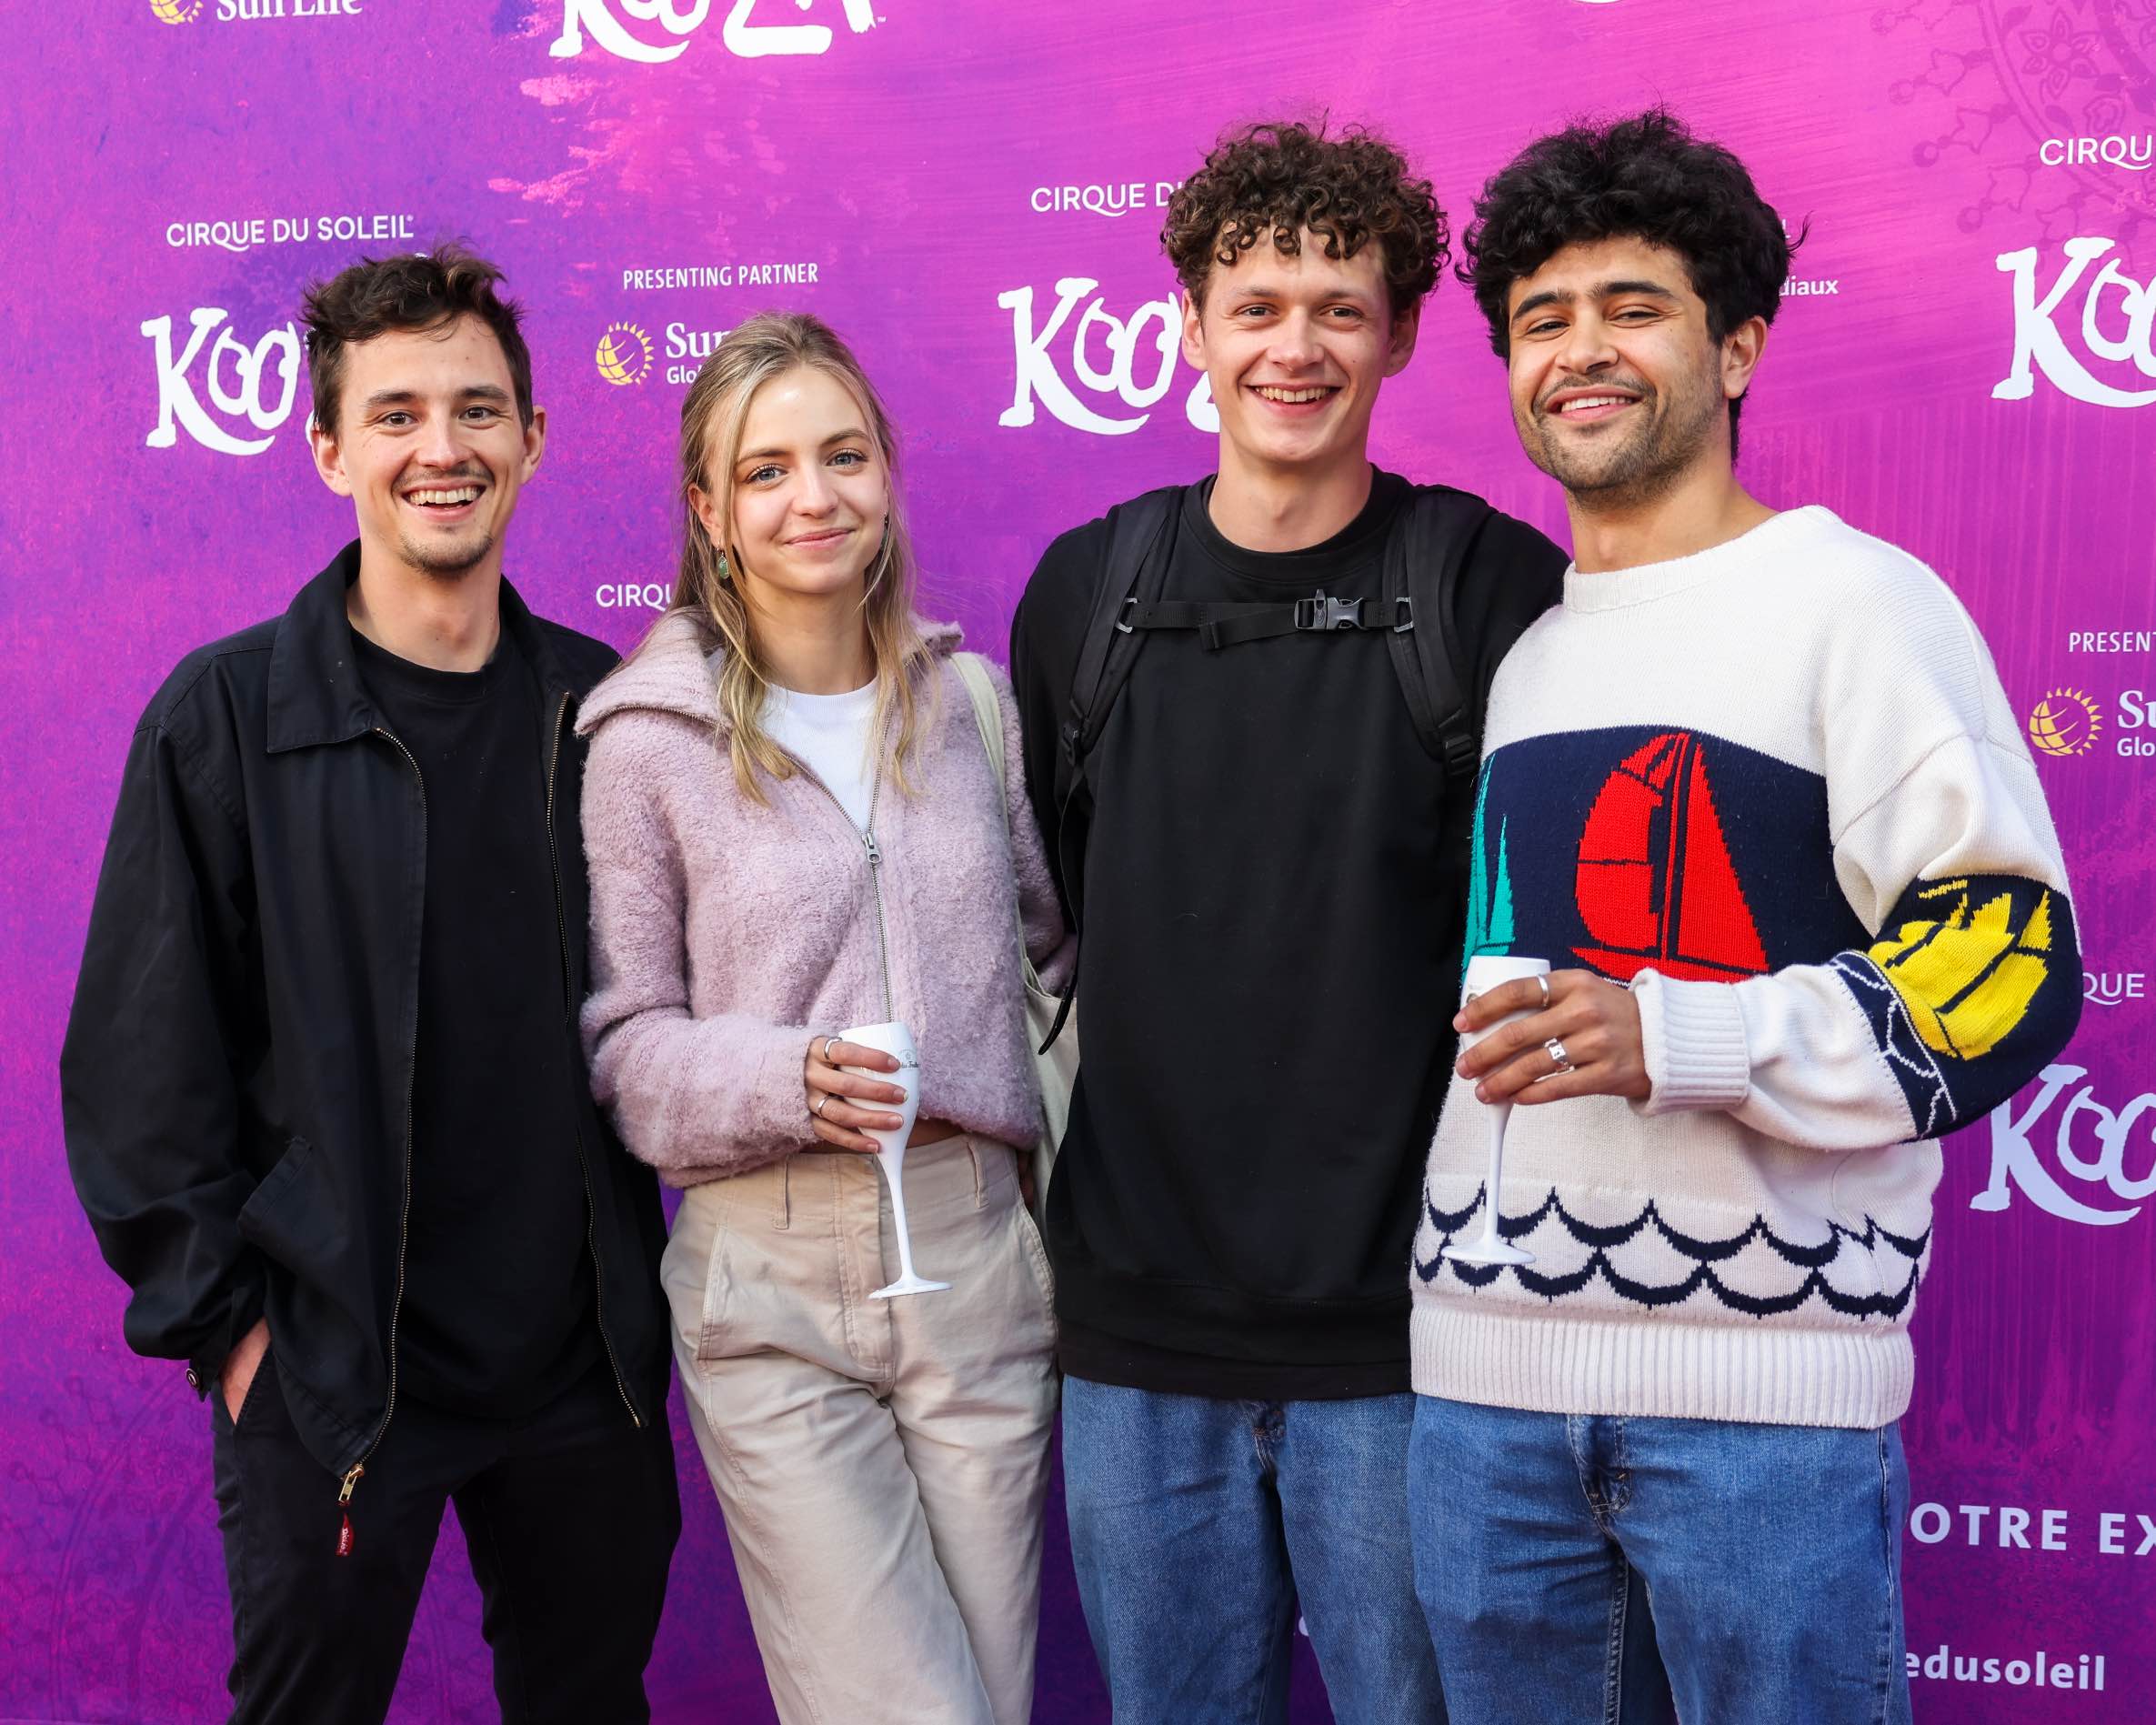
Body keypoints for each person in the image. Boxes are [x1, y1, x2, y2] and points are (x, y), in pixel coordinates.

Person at [1408, 110, 2082, 1724]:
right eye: (1543, 319)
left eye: (1633, 307)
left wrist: (1678, 1033)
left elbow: (2010, 965)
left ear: (1738, 348)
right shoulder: (1526, 655)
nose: (1581, 350)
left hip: (1763, 1423)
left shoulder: (1857, 603)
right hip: (1480, 1408)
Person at [59, 245, 679, 1724]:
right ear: (330, 448)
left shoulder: (605, 710)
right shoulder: (224, 718)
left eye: (476, 409)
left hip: (579, 1372)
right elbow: (140, 1072)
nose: (440, 447)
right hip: (333, 1375)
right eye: (395, 414)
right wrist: (239, 1338)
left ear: (533, 437)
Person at [1008, 121, 1569, 1722]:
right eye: (1255, 305)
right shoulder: (1087, 593)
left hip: (1408, 1342)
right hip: (1135, 1341)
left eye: (1339, 306)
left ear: (1401, 333)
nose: (1294, 347)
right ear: (1190, 326)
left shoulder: (1488, 587)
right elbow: (1060, 912)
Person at [577, 311, 1068, 1725]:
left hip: (976, 1264)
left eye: (843, 455)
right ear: (710, 511)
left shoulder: (971, 705)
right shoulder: (644, 738)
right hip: (771, 1280)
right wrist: (787, 1075)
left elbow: (1055, 963)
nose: (815, 496)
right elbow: (626, 1042)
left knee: (987, 1704)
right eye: (768, 468)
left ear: (887, 471)